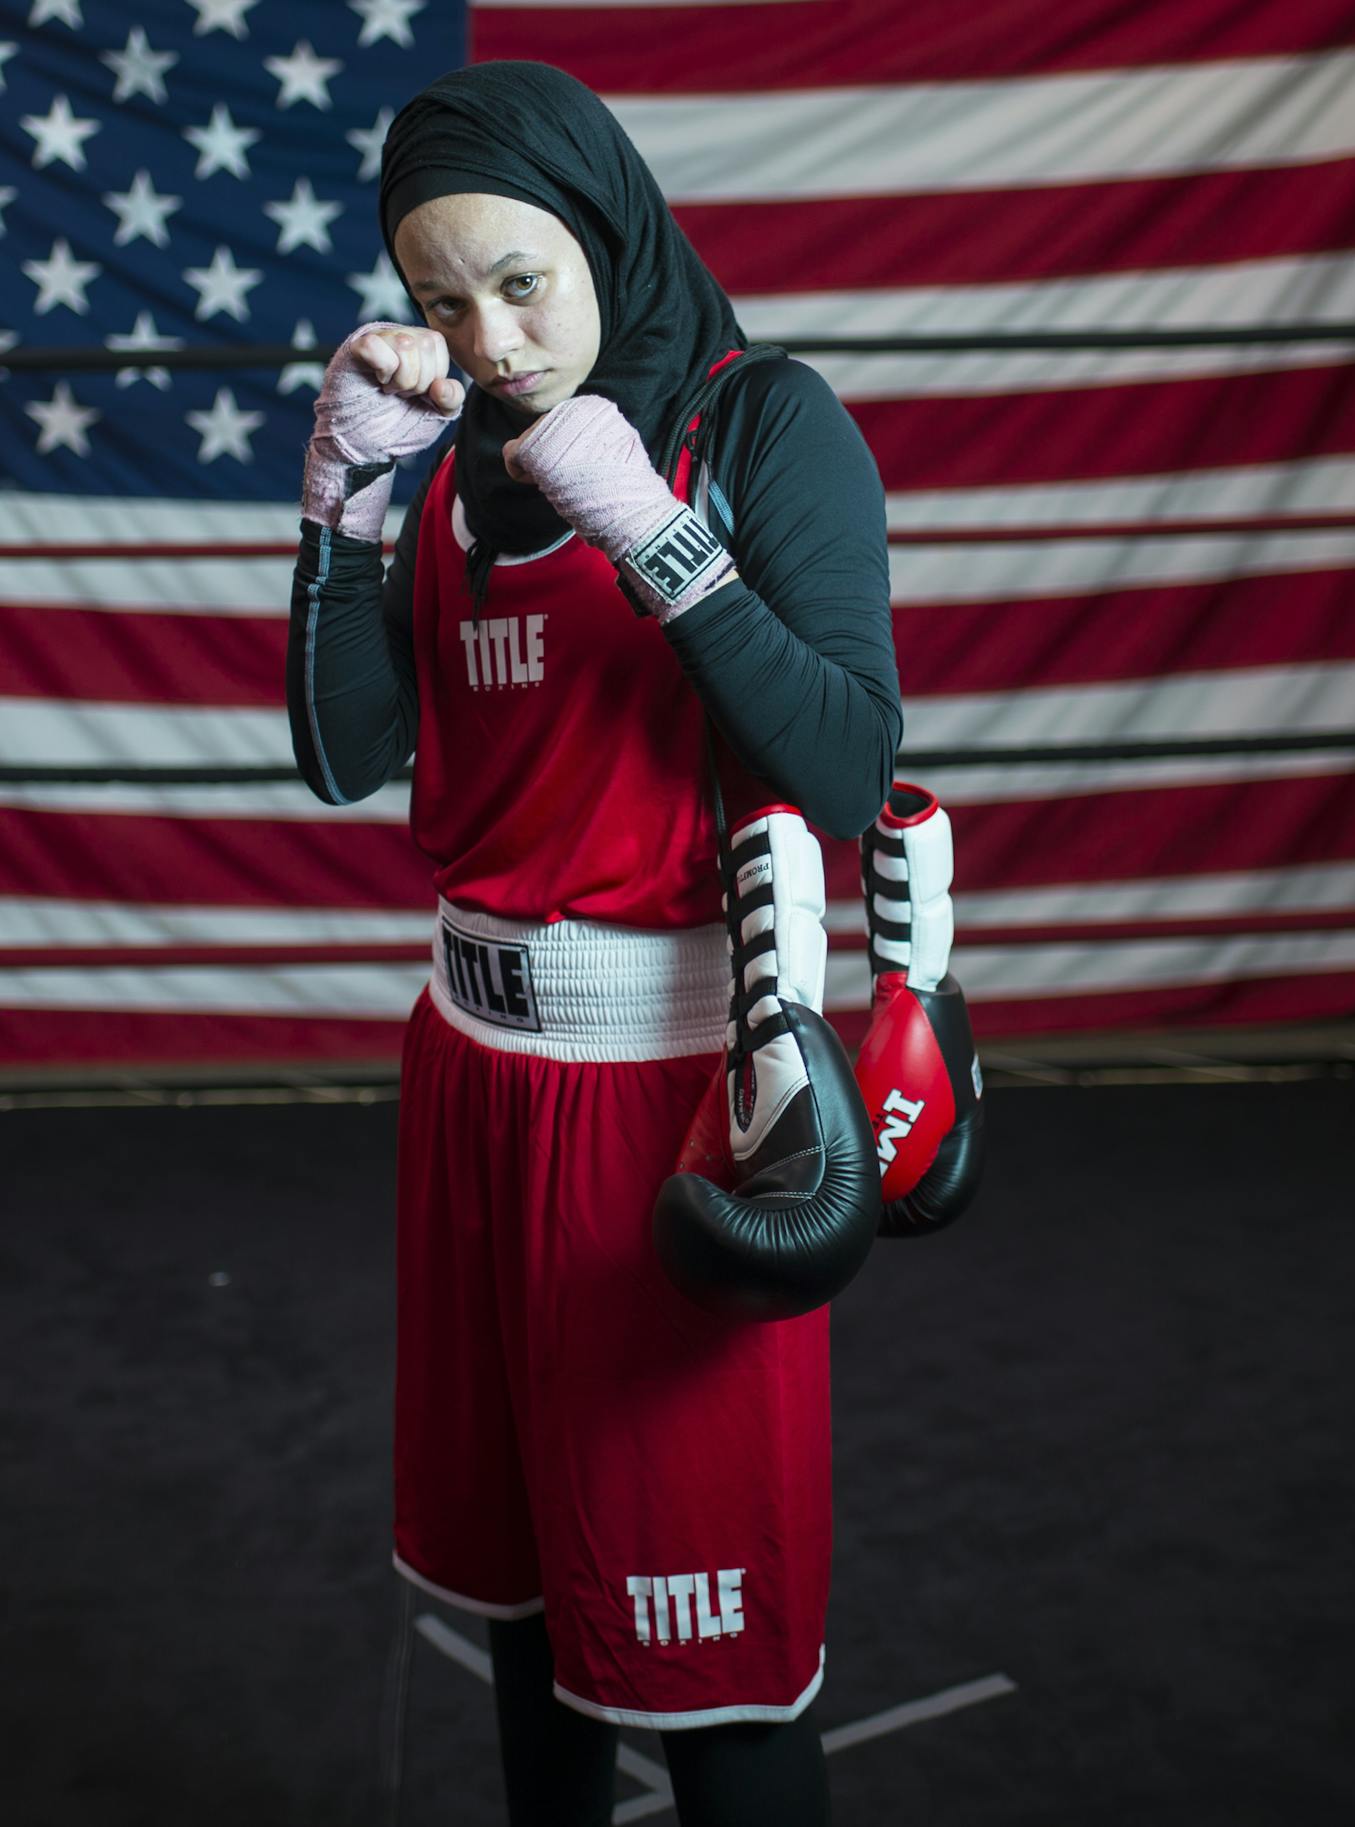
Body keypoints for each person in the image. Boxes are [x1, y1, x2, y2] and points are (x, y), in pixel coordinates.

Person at [286, 60, 901, 1827]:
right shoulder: (451, 448)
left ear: (605, 232)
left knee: (713, 1667)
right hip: (469, 1081)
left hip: (663, 1107)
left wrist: (661, 537)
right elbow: (346, 762)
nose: (486, 340)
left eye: (521, 283)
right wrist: (340, 513)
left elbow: (852, 764)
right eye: (439, 300)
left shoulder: (759, 423)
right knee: (525, 1612)